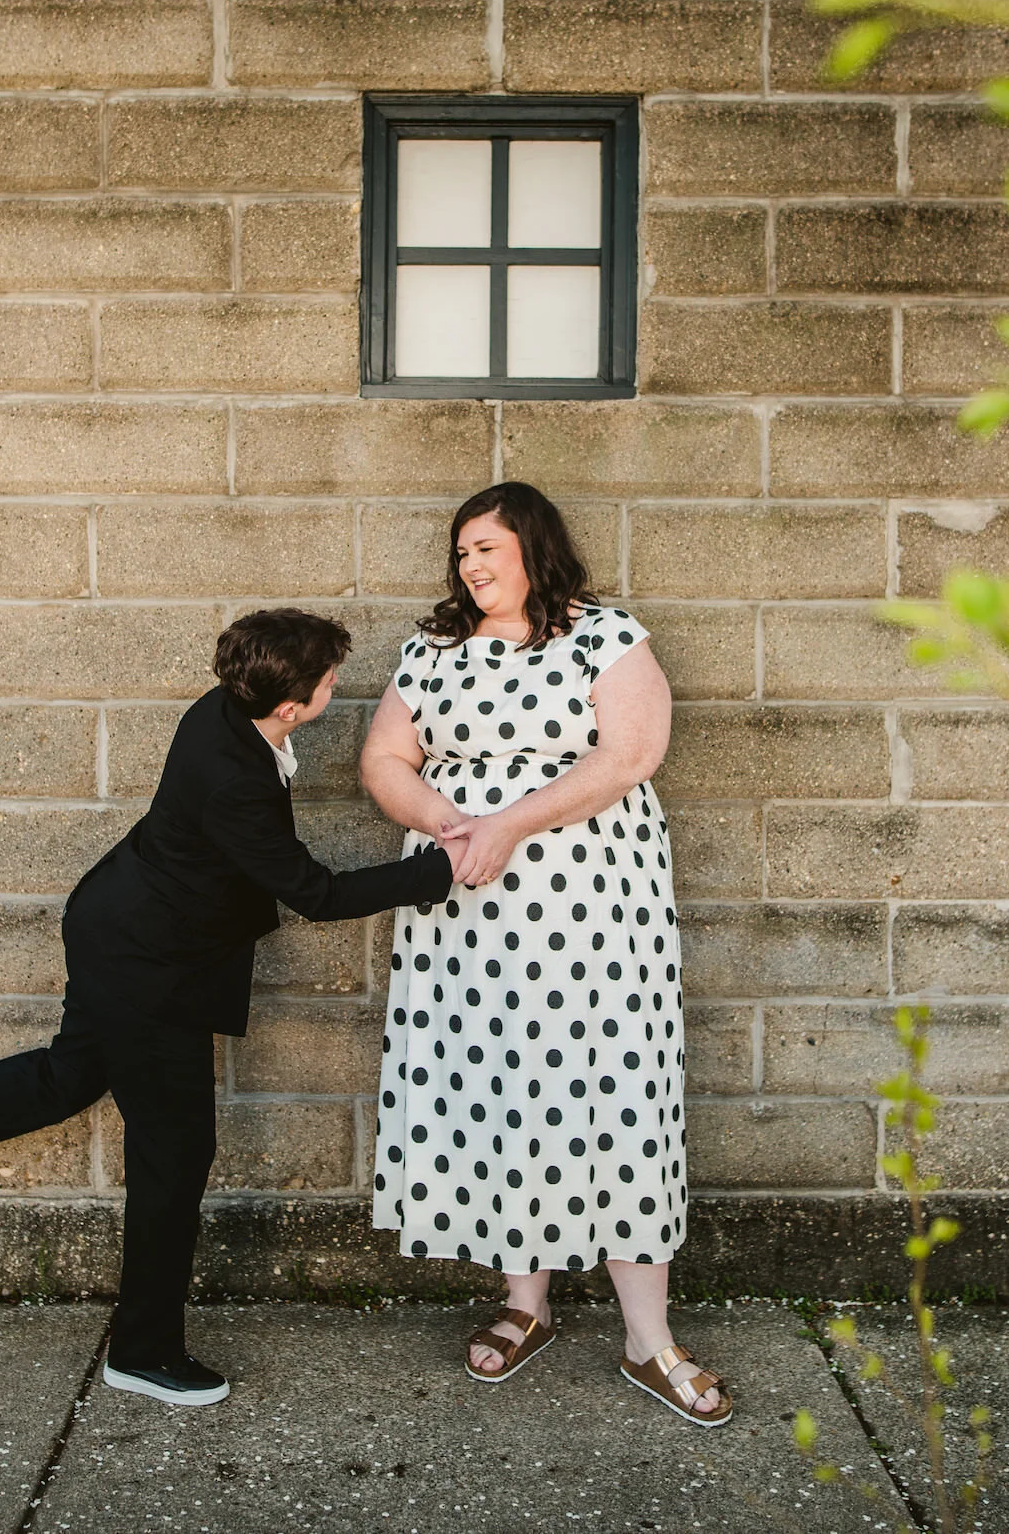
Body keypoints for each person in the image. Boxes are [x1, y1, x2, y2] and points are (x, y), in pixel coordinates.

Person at [0, 609, 459, 1407]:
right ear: (288, 705)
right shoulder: (235, 776)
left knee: (68, 1078)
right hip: (148, 966)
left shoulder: (224, 708)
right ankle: (142, 1349)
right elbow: (317, 892)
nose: (337, 685)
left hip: (121, 927)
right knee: (176, 1154)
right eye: (328, 679)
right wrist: (439, 869)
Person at [358, 482, 731, 1428]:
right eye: (461, 553)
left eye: (487, 547)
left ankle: (649, 1338)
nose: (472, 566)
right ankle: (526, 1304)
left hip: (594, 913)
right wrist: (451, 823)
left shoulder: (603, 635)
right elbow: (383, 762)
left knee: (615, 1087)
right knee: (501, 1087)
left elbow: (632, 752)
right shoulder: (432, 650)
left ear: (533, 545)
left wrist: (510, 823)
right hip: (465, 918)